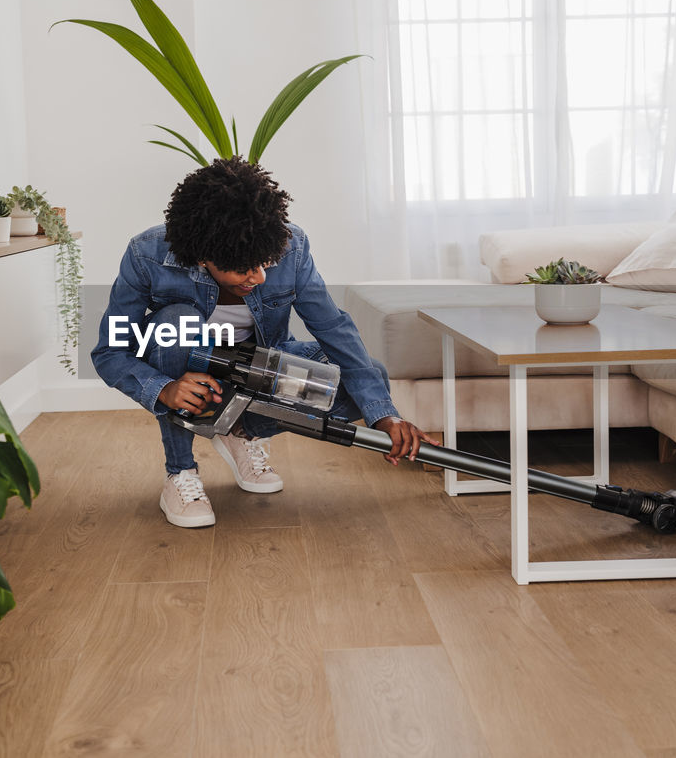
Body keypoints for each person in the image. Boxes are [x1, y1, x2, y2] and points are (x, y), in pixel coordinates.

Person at [92, 157, 436, 528]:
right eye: (243, 267)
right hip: (187, 370)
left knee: (366, 380)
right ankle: (180, 472)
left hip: (252, 369)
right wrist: (164, 390)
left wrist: (385, 415)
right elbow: (109, 352)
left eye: (265, 263)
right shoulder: (148, 254)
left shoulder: (292, 246)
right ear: (204, 257)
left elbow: (333, 329)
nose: (258, 276)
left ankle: (239, 429)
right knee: (177, 323)